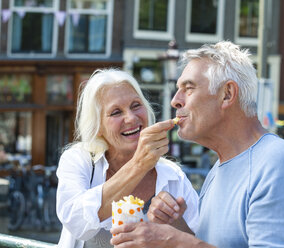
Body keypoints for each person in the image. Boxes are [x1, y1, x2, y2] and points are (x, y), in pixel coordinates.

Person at [111, 41, 284, 247]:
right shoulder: (217, 170)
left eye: (188, 89)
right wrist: (175, 226)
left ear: (227, 94)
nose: (175, 101)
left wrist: (175, 241)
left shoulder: (278, 160)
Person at [56, 68, 199, 248]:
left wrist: (175, 224)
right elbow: (75, 222)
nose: (131, 118)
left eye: (136, 105)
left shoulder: (172, 175)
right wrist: (139, 165)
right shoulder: (79, 160)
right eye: (116, 112)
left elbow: (200, 240)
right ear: (98, 126)